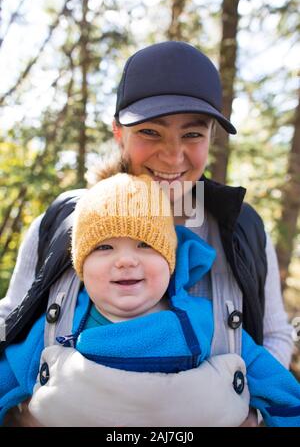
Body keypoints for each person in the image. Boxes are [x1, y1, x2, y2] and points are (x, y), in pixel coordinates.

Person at [0, 41, 294, 426]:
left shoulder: (239, 229)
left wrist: (250, 416)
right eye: (151, 132)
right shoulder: (63, 222)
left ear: (211, 137)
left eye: (192, 134)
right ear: (118, 133)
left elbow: (274, 335)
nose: (173, 156)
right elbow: (11, 319)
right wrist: (19, 413)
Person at [0, 172, 299, 427]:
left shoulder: (208, 324)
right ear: (80, 266)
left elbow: (281, 394)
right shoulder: (56, 326)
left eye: (145, 244)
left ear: (170, 262)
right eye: (104, 247)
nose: (126, 260)